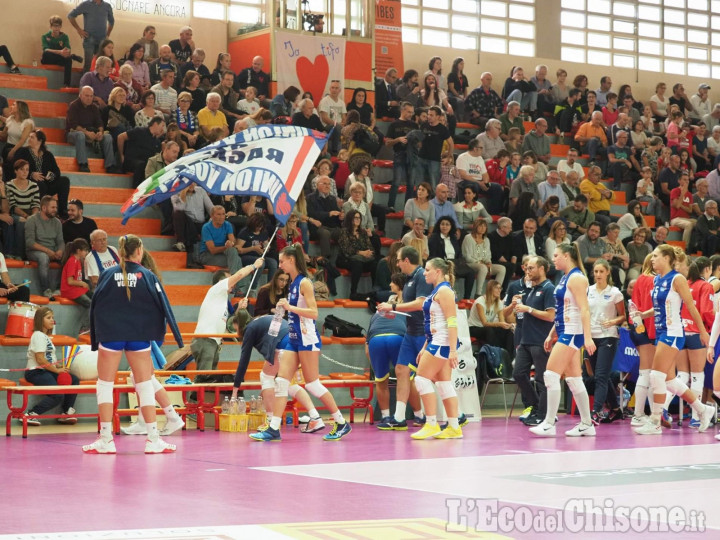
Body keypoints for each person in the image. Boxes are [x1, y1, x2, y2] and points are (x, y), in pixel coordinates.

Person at [83, 234, 183, 454]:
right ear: (139, 251)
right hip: (139, 335)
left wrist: (96, 336)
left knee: (105, 384)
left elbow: (95, 306)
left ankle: (106, 439)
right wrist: (161, 335)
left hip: (111, 334)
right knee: (145, 384)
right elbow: (163, 307)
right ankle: (153, 439)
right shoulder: (148, 276)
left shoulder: (108, 274)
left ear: (120, 252)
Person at [251, 244, 352, 441]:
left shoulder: (305, 283)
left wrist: (290, 308)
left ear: (292, 260)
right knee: (281, 382)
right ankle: (273, 428)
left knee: (313, 384)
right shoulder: (293, 282)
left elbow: (314, 313)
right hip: (294, 338)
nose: (279, 264)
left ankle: (341, 422)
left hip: (307, 339)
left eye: (282, 261)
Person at [632, 246, 714, 435]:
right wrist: (643, 314)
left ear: (667, 258)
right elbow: (660, 307)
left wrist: (703, 332)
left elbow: (692, 308)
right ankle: (703, 410)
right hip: (661, 332)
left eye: (655, 256)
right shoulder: (657, 279)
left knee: (655, 376)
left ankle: (655, 421)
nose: (652, 259)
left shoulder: (677, 279)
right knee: (669, 381)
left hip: (673, 333)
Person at [530, 244, 597, 437]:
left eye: (557, 255)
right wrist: (552, 333)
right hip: (565, 330)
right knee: (574, 379)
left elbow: (584, 309)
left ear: (567, 256)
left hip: (572, 332)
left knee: (550, 374)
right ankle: (587, 424)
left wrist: (588, 337)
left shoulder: (576, 278)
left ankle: (549, 423)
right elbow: (563, 310)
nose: (554, 259)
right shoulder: (566, 278)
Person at [231, 304, 321, 433]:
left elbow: (244, 361)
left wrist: (235, 390)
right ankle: (315, 417)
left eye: (235, 329)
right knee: (290, 384)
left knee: (266, 377)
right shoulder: (260, 320)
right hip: (296, 343)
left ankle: (271, 421)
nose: (235, 332)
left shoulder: (249, 329)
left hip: (284, 346)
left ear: (239, 325)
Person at [376, 246, 431, 429]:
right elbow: (408, 307)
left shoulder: (422, 275)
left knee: (435, 376)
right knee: (401, 370)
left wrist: (393, 308)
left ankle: (459, 414)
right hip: (410, 332)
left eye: (399, 260)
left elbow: (421, 304)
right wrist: (391, 311)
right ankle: (399, 418)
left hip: (423, 332)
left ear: (407, 260)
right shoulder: (408, 279)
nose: (397, 263)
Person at [191, 262, 264, 389]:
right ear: (221, 281)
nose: (234, 283)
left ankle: (205, 406)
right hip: (206, 340)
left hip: (213, 342)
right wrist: (254, 266)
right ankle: (195, 405)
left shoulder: (222, 301)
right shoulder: (217, 289)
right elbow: (240, 274)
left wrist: (239, 309)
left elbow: (229, 326)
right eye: (230, 279)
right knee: (204, 380)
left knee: (210, 382)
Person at [671, 256, 715, 427]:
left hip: (682, 332)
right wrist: (711, 330)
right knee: (697, 375)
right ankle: (697, 417)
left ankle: (664, 409)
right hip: (697, 333)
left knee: (681, 376)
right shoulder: (705, 286)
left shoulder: (684, 284)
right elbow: (706, 311)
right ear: (706, 269)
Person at [22, 307, 81, 426]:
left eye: (53, 318)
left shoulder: (45, 336)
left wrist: (60, 366)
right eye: (48, 318)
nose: (52, 320)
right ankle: (31, 414)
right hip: (36, 371)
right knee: (57, 394)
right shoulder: (38, 335)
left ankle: (66, 413)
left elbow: (49, 358)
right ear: (40, 319)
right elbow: (40, 359)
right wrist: (57, 370)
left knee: (73, 380)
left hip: (47, 370)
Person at [585, 259, 626, 424]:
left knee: (600, 376)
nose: (598, 275)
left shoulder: (615, 292)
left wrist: (613, 321)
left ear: (608, 272)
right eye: (595, 272)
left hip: (608, 336)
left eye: (601, 271)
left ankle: (595, 412)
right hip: (591, 336)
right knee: (599, 375)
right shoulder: (588, 291)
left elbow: (623, 316)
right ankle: (616, 408)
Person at [368, 275, 407, 424]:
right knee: (409, 379)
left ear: (400, 284)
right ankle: (417, 416)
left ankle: (388, 416)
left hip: (377, 340)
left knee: (383, 380)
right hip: (398, 337)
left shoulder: (412, 301)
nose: (390, 284)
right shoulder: (390, 300)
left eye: (393, 282)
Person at [14, 130, 71, 221]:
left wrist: (51, 176)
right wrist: (31, 174)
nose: (29, 139)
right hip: (30, 184)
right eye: (29, 137)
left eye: (32, 137)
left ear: (39, 141)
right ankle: (44, 212)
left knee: (64, 180)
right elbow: (16, 167)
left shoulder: (48, 154)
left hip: (47, 184)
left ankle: (62, 212)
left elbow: (57, 171)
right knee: (40, 184)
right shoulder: (22, 151)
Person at [65, 86, 119, 174]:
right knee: (80, 135)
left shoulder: (94, 107)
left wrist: (100, 133)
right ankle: (83, 164)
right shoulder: (73, 106)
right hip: (73, 133)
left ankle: (110, 165)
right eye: (87, 96)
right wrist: (87, 133)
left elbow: (99, 123)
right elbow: (73, 125)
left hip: (91, 133)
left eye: (91, 96)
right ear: (81, 95)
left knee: (108, 137)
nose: (89, 98)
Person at [25, 196, 64, 297]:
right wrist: (47, 251)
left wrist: (60, 251)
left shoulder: (57, 222)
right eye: (53, 207)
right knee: (43, 257)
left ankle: (59, 288)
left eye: (56, 207)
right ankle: (46, 289)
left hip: (52, 250)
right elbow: (30, 242)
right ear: (43, 208)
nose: (55, 210)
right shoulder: (31, 220)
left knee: (68, 256)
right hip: (35, 251)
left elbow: (60, 241)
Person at [428, 217, 475, 299]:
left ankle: (466, 298)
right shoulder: (434, 237)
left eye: (447, 224)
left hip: (455, 263)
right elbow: (433, 255)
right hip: (443, 263)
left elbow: (458, 253)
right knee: (448, 272)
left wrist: (459, 261)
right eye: (442, 224)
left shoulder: (453, 238)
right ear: (439, 226)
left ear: (451, 226)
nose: (444, 227)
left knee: (471, 272)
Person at [337, 209, 377, 298]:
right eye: (355, 218)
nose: (357, 220)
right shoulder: (344, 232)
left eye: (359, 218)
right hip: (345, 259)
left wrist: (368, 252)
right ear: (350, 219)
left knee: (375, 264)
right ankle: (353, 292)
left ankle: (375, 291)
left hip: (361, 259)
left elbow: (370, 246)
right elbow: (346, 249)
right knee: (357, 264)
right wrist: (361, 252)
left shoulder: (363, 232)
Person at [67, 0, 114, 74]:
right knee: (88, 65)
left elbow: (112, 21)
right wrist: (79, 30)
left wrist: (107, 35)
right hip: (89, 39)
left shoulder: (107, 6)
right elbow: (70, 15)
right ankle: (84, 84)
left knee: (101, 65)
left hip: (102, 41)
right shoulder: (86, 4)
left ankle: (98, 85)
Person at [467, 279, 514, 352]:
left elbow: (502, 321)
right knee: (489, 331)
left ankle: (507, 356)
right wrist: (499, 324)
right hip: (474, 327)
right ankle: (493, 355)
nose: (499, 290)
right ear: (490, 289)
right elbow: (484, 323)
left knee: (508, 332)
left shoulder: (499, 303)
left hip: (489, 327)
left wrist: (508, 326)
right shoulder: (480, 302)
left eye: (500, 288)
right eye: (496, 288)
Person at [463, 218, 505, 297]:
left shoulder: (486, 240)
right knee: (483, 267)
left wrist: (488, 262)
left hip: (484, 265)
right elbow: (467, 256)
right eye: (480, 226)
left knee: (501, 269)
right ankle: (478, 293)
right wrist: (479, 262)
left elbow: (487, 255)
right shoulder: (468, 238)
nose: (483, 228)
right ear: (475, 227)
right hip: (470, 264)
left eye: (484, 226)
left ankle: (494, 294)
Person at [59, 238, 92, 331]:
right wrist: (82, 283)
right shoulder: (72, 261)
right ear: (78, 251)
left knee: (96, 297)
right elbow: (70, 281)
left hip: (76, 289)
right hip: (69, 291)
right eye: (85, 250)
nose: (86, 252)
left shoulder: (77, 261)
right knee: (90, 303)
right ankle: (85, 327)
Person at [42, 15, 83, 87]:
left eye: (58, 26)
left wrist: (65, 52)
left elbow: (67, 50)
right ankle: (73, 56)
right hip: (49, 59)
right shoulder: (45, 36)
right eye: (54, 26)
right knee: (46, 54)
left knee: (68, 59)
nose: (56, 28)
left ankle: (67, 84)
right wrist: (60, 52)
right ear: (51, 26)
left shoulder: (64, 37)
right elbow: (46, 49)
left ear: (60, 27)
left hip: (60, 59)